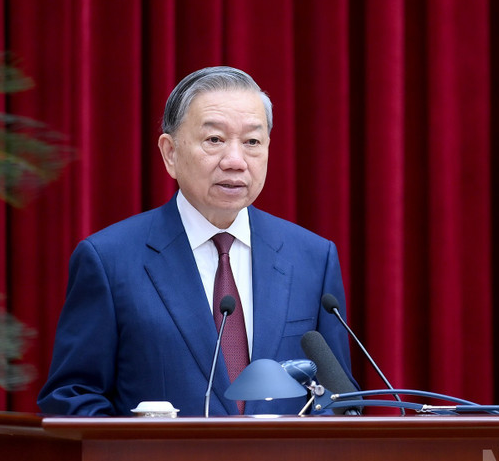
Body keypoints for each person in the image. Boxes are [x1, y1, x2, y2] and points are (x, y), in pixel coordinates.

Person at [38, 66, 355, 416]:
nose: (235, 161)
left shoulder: (311, 257)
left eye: (252, 142)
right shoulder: (110, 260)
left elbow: (337, 399)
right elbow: (73, 396)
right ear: (170, 153)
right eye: (214, 140)